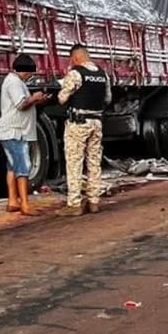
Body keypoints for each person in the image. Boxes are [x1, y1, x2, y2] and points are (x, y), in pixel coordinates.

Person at [57, 44, 111, 216]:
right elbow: (108, 98)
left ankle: (74, 204)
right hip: (96, 122)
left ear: (75, 58)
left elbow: (62, 98)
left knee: (74, 162)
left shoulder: (75, 73)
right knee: (94, 162)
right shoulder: (103, 75)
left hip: (78, 123)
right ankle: (94, 201)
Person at [0, 54, 48, 216]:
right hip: (15, 131)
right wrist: (35, 98)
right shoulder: (14, 83)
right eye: (30, 71)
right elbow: (22, 105)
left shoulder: (15, 82)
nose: (31, 75)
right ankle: (25, 204)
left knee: (12, 167)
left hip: (11, 130)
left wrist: (37, 100)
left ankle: (13, 201)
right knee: (23, 168)